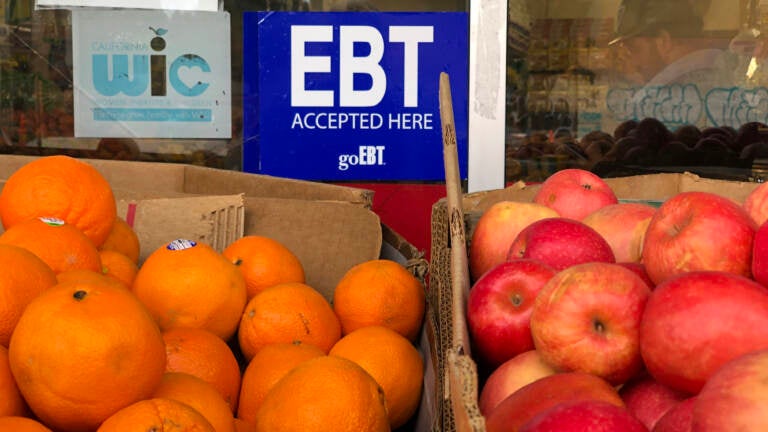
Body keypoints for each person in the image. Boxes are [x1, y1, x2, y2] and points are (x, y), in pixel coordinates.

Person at [608, 0, 735, 87]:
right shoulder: (724, 70)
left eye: (635, 49)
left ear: (664, 41)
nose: (634, 63)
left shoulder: (665, 91)